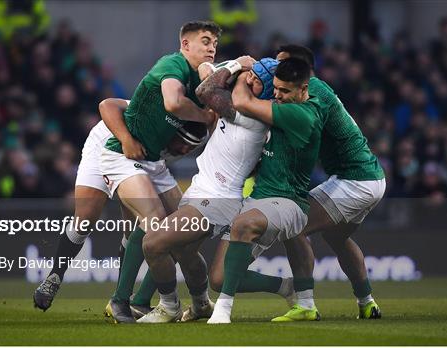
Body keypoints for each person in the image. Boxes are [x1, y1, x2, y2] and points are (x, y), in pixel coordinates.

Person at [137, 57, 300, 323]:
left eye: (259, 81)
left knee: (153, 244)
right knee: (190, 256)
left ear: (269, 92)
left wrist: (236, 65)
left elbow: (205, 91)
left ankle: (169, 306)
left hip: (217, 199)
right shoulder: (244, 100)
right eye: (252, 74)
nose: (250, 80)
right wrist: (233, 68)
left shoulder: (253, 114)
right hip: (204, 189)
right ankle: (204, 304)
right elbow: (207, 73)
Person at [32, 98, 206, 311]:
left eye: (191, 148)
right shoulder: (155, 113)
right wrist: (125, 139)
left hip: (144, 161)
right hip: (106, 145)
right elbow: (106, 105)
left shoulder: (193, 133)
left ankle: (122, 296)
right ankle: (54, 277)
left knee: (159, 227)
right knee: (85, 220)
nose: (185, 150)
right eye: (184, 144)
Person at [101, 21, 222, 323]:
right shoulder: (172, 64)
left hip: (154, 163)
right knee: (154, 220)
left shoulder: (204, 83)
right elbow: (171, 102)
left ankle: (172, 301)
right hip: (123, 156)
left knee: (177, 233)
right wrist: (205, 115)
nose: (211, 48)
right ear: (185, 45)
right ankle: (121, 301)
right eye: (205, 41)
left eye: (215, 44)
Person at [273, 44, 386, 321]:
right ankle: (367, 302)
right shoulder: (314, 90)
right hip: (370, 177)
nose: (275, 71)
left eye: (281, 64)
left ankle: (306, 304)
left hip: (355, 180)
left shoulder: (315, 94)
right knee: (336, 237)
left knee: (293, 225)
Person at [208, 58, 323, 324]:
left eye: (285, 92)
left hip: (289, 202)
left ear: (303, 89)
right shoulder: (280, 105)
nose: (278, 96)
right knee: (219, 278)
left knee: (243, 223)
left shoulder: (302, 115)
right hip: (259, 198)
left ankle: (222, 311)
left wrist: (240, 72)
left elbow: (241, 102)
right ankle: (287, 287)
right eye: (277, 89)